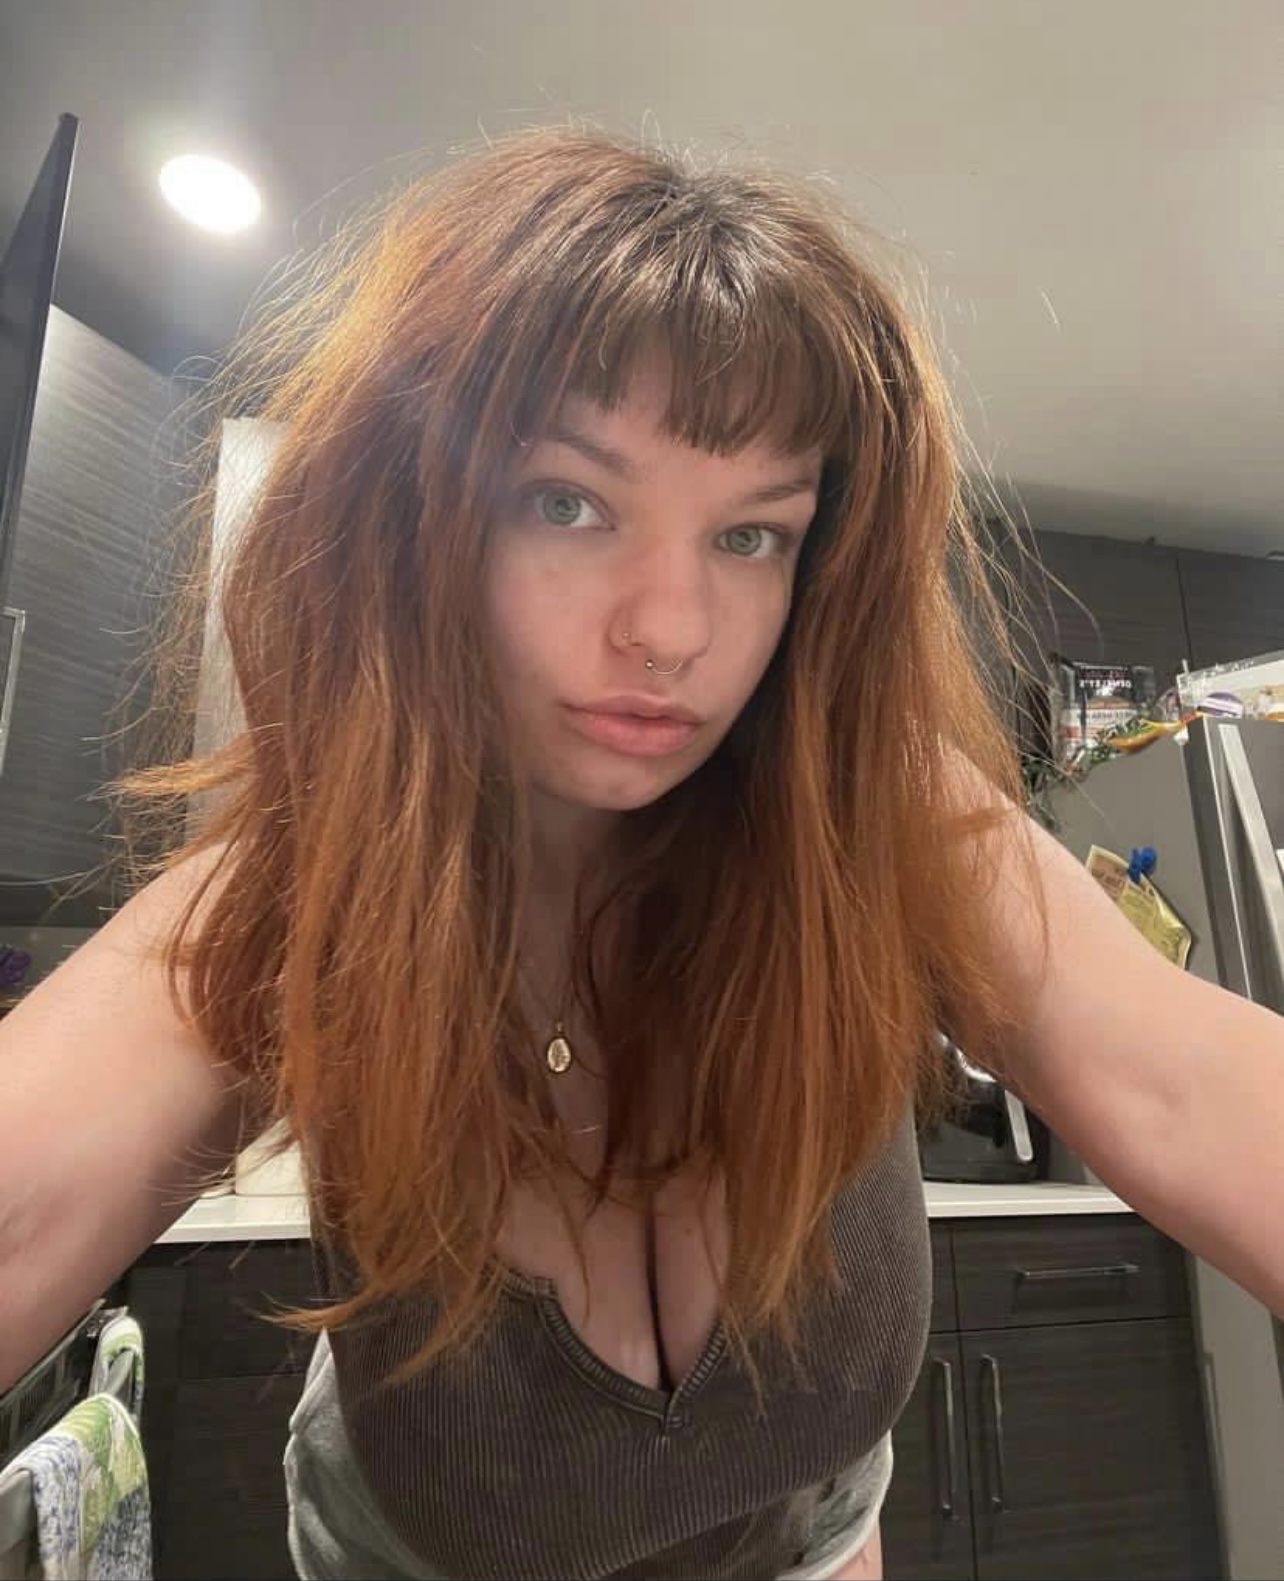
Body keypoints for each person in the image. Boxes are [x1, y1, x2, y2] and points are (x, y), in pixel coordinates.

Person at [0, 128, 1280, 1581]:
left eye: (751, 536)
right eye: (569, 502)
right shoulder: (310, 895)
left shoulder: (878, 821)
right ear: (418, 526)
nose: (670, 628)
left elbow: (1188, 1085)